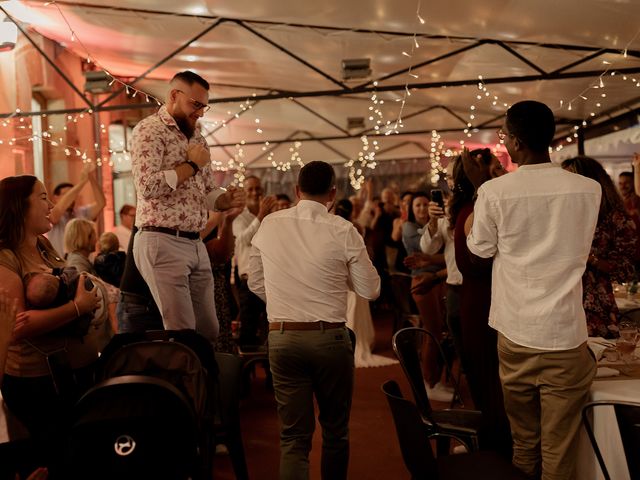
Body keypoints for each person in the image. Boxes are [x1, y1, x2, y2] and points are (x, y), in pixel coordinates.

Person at [464, 100, 601, 479]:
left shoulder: (494, 193)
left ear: (518, 143)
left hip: (516, 332)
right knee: (559, 450)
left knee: (524, 444)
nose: (503, 141)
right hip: (566, 333)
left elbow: (478, 254)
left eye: (505, 135)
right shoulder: (588, 189)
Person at [248, 161, 380, 480]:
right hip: (329, 340)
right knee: (335, 432)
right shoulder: (342, 229)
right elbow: (371, 289)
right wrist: (339, 279)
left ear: (297, 191)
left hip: (282, 337)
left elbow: (254, 280)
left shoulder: (270, 224)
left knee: (293, 437)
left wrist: (285, 299)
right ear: (333, 193)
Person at [130, 70, 245, 341]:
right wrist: (191, 165)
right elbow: (147, 187)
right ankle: (188, 382)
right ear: (174, 95)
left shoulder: (197, 138)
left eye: (204, 106)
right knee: (182, 331)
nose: (201, 113)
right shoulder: (149, 130)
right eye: (196, 105)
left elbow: (206, 192)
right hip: (162, 238)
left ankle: (203, 380)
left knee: (209, 330)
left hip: (195, 243)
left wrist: (225, 199)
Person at [0, 175, 99, 439]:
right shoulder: (6, 256)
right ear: (19, 206)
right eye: (43, 198)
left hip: (70, 370)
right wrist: (78, 307)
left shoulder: (42, 244)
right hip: (39, 381)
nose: (52, 206)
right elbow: (17, 325)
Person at [451, 150, 512, 457]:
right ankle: (498, 448)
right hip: (484, 304)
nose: (503, 170)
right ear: (480, 175)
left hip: (480, 300)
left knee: (491, 377)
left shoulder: (474, 206)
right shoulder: (477, 210)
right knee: (492, 379)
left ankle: (497, 440)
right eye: (497, 167)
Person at [561, 156, 637, 337]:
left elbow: (626, 269)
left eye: (569, 179)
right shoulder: (562, 213)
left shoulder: (614, 217)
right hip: (560, 300)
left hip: (594, 304)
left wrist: (590, 258)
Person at [232, 175, 276, 346]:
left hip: (271, 279)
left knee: (271, 327)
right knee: (248, 330)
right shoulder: (238, 217)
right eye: (250, 189)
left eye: (258, 188)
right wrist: (261, 215)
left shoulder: (271, 217)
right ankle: (247, 370)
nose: (255, 192)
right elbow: (242, 240)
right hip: (248, 281)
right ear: (244, 192)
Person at [203, 208, 242, 353]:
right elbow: (184, 246)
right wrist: (214, 221)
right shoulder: (207, 219)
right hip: (199, 290)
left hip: (217, 290)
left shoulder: (211, 213)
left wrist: (228, 221)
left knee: (219, 344)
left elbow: (223, 254)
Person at [47, 162, 106, 255]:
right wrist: (81, 183)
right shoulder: (52, 213)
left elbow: (101, 203)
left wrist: (90, 177)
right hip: (61, 266)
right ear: (56, 197)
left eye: (74, 194)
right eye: (67, 194)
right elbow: (56, 213)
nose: (72, 198)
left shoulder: (81, 212)